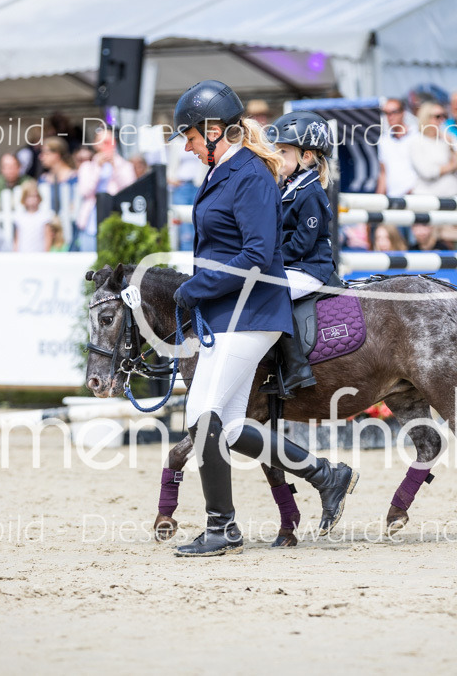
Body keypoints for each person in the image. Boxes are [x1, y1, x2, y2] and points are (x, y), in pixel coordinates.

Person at [168, 79, 357, 557]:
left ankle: (220, 527)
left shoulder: (250, 175)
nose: (187, 147)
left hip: (252, 312)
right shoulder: (225, 171)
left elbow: (257, 254)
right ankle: (323, 473)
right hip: (230, 311)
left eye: (190, 137)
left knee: (202, 414)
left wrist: (195, 289)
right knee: (227, 426)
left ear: (214, 131)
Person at [261, 110, 337, 397]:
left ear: (306, 156)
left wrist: (269, 260)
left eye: (283, 151)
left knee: (272, 293)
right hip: (294, 265)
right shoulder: (290, 187)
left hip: (310, 268)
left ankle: (297, 368)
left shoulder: (311, 193)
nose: (277, 156)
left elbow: (302, 245)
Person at [76, 127, 136, 251]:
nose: (104, 145)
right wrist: (97, 167)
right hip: (91, 222)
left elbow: (130, 190)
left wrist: (115, 166)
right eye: (100, 141)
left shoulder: (125, 166)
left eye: (108, 141)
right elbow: (85, 191)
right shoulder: (87, 167)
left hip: (117, 218)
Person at [410, 101, 457, 196]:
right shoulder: (416, 141)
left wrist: (451, 146)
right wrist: (452, 166)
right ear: (426, 118)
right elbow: (428, 172)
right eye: (437, 116)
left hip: (453, 196)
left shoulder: (450, 138)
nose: (442, 120)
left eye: (444, 116)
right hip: (427, 198)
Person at [38, 137, 79, 243]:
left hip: (71, 229)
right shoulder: (43, 179)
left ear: (56, 155)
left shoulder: (74, 177)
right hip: (49, 232)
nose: (41, 157)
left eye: (45, 153)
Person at [375, 98, 418, 197]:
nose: (390, 116)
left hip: (415, 196)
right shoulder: (383, 140)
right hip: (393, 197)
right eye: (386, 113)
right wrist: (378, 199)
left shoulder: (417, 135)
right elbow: (383, 173)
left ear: (403, 112)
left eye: (394, 112)